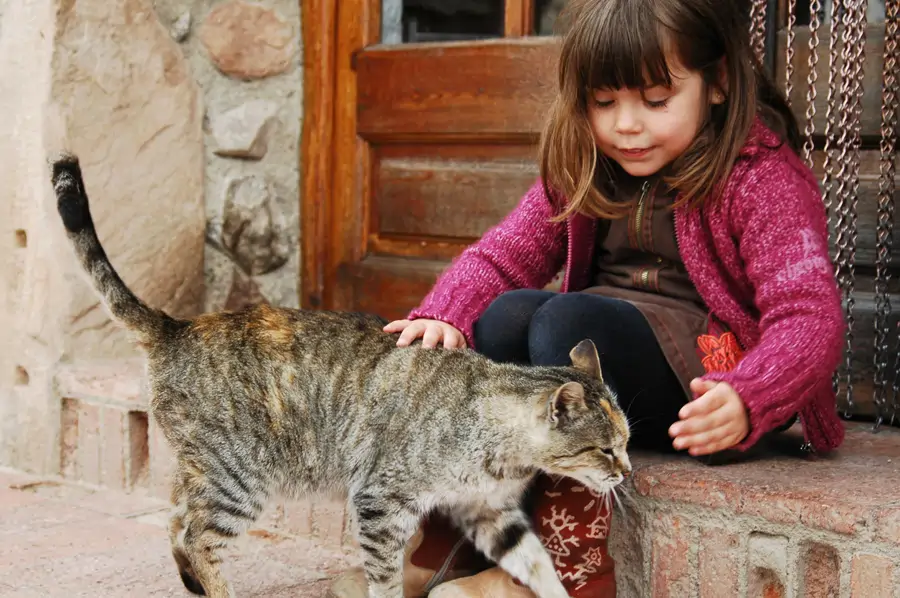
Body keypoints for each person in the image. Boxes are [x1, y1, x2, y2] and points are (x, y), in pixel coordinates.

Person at [330, 0, 846, 596]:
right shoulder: (589, 161)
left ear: (719, 83)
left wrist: (751, 395)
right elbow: (503, 255)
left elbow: (809, 315)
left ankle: (565, 570)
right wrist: (443, 314)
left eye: (655, 100)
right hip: (601, 343)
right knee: (500, 319)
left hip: (709, 380)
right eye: (604, 103)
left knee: (564, 331)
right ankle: (462, 541)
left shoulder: (760, 176)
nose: (626, 124)